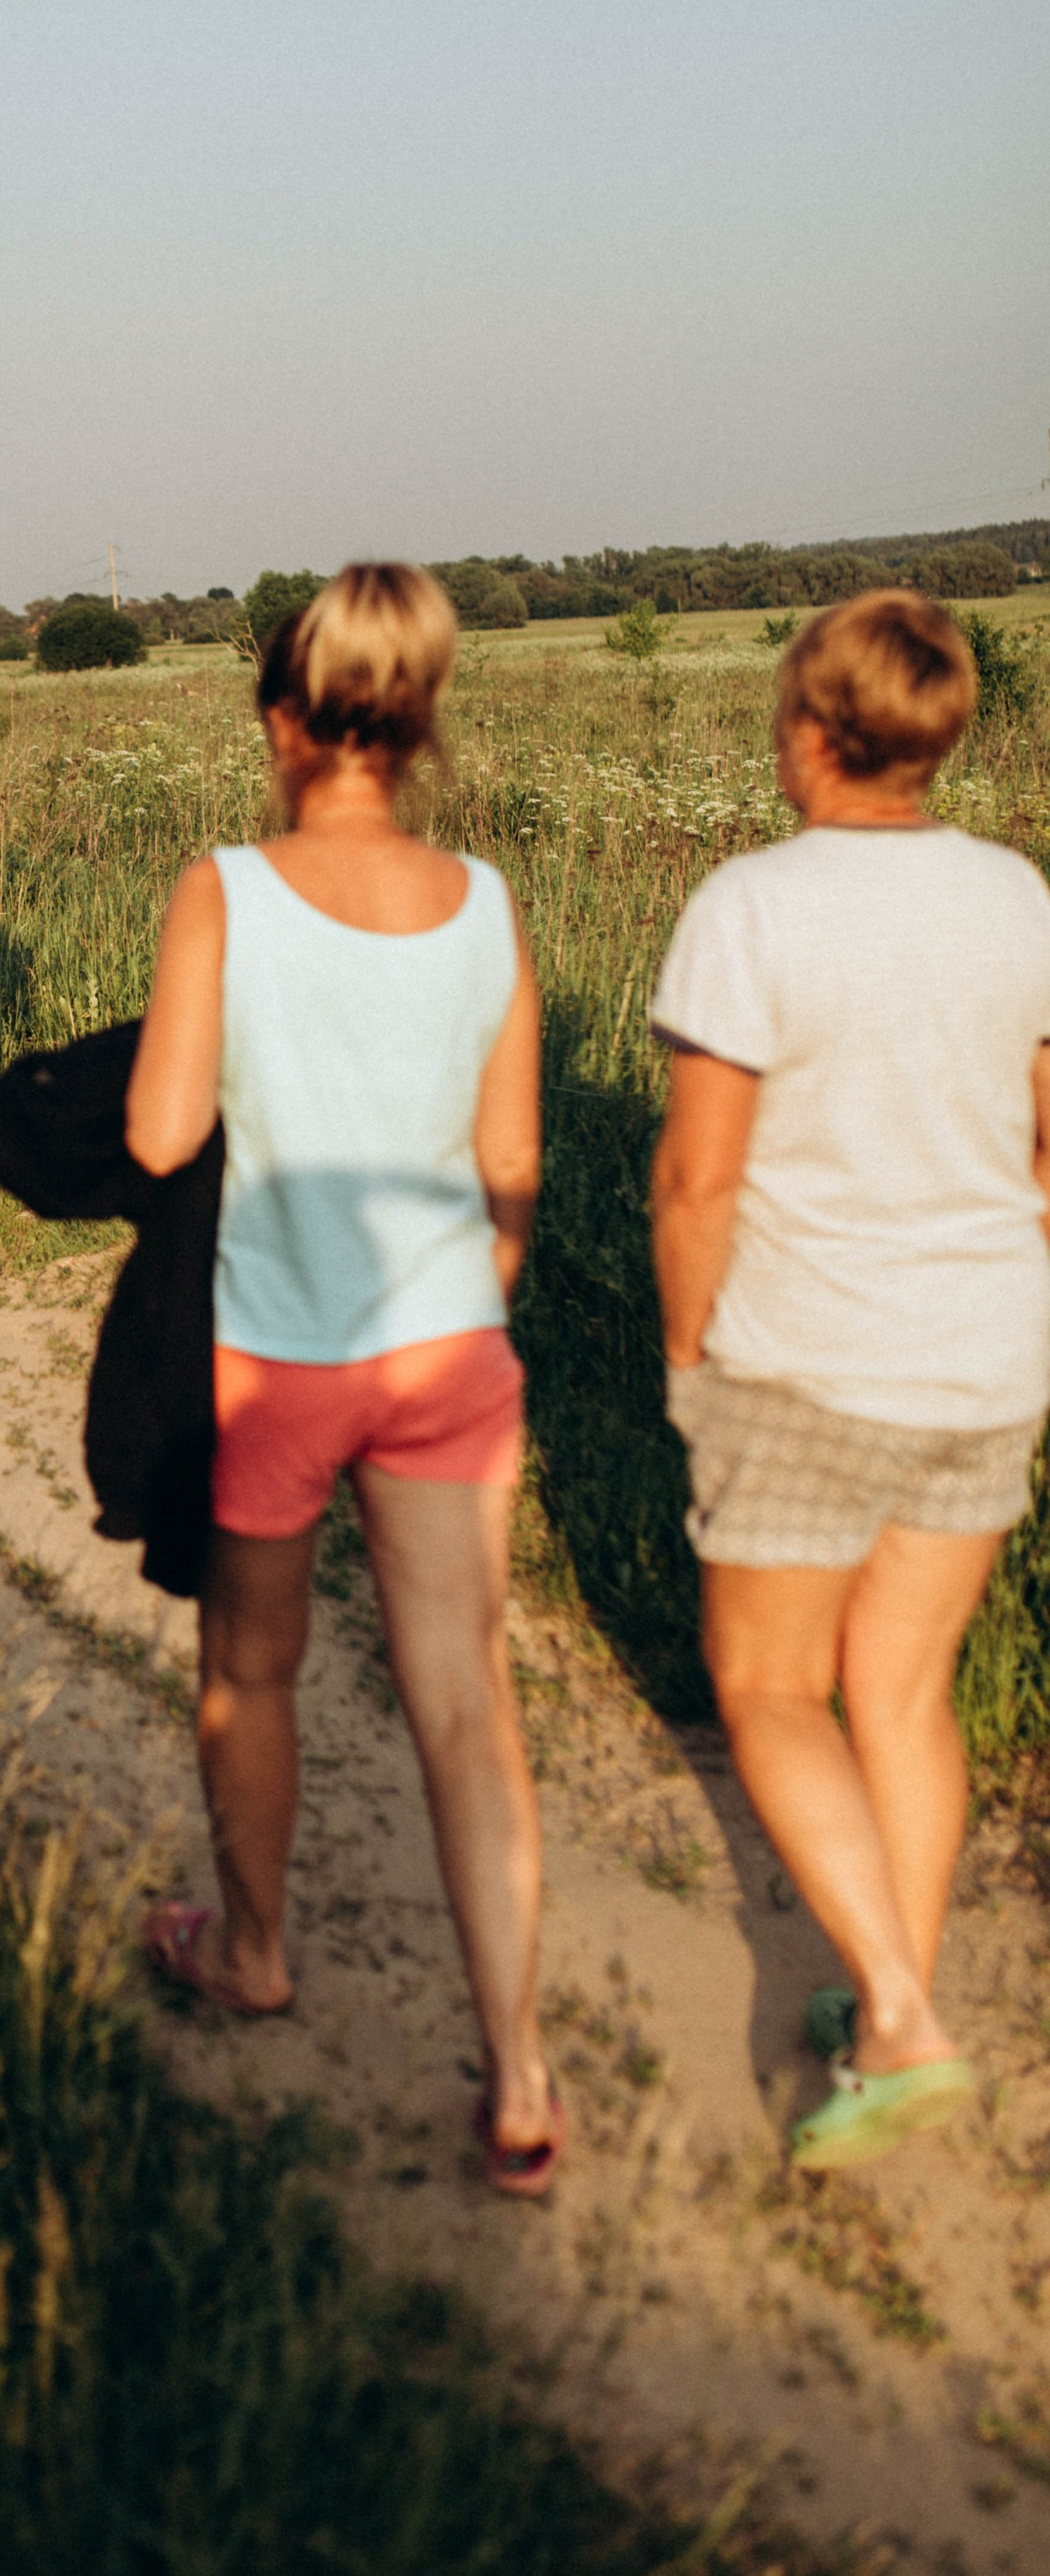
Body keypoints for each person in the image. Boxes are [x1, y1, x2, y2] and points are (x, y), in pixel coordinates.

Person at [123, 562, 559, 2196]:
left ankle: (248, 1948)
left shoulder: (223, 887)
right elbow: (510, 1160)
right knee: (465, 1700)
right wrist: (463, 1302)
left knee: (252, 1665)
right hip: (447, 1347)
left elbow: (163, 1132)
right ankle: (517, 2072)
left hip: (279, 1355)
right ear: (418, 722)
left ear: (279, 718)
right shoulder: (489, 900)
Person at [649, 590, 1050, 2171]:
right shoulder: (1013, 895)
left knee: (767, 1689)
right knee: (902, 1690)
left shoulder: (750, 908)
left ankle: (894, 2007)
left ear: (810, 729)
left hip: (806, 1357)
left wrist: (685, 1354)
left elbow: (694, 1184)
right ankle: (887, 2009)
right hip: (985, 1358)